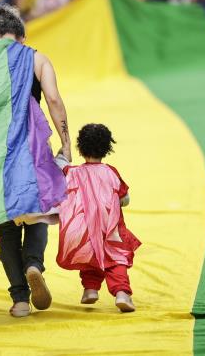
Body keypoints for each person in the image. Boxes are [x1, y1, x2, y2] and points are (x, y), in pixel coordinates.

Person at [0, 4, 71, 318]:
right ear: (22, 35)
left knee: (5, 223)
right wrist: (66, 143)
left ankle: (20, 299)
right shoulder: (37, 58)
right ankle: (34, 264)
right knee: (39, 210)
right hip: (32, 147)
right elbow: (53, 99)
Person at [54, 124, 140, 312]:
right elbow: (125, 198)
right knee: (116, 258)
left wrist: (62, 152)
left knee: (89, 255)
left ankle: (90, 290)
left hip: (81, 230)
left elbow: (59, 166)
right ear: (107, 147)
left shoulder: (72, 172)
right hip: (109, 228)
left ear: (80, 148)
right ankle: (122, 294)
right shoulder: (111, 171)